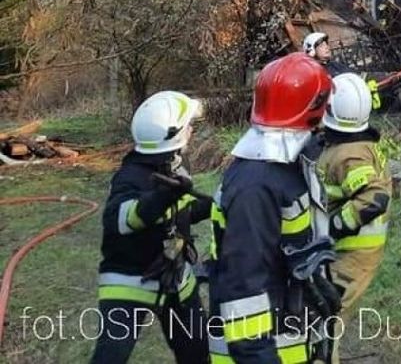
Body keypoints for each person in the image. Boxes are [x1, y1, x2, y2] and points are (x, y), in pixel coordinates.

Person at [208, 53, 340, 364]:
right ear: (313, 109)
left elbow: (282, 251)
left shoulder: (284, 168)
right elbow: (244, 288)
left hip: (287, 334)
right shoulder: (257, 186)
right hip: (262, 351)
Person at [92, 91, 210, 364]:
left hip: (176, 279)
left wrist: (220, 207)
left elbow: (183, 209)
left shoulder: (176, 164)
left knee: (198, 354)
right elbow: (119, 218)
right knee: (110, 358)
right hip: (129, 281)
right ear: (176, 135)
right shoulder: (130, 177)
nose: (192, 129)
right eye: (189, 125)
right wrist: (159, 199)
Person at [317, 72, 392, 363]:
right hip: (350, 252)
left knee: (325, 321)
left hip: (352, 254)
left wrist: (335, 226)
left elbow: (374, 197)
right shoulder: (353, 145)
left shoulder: (349, 156)